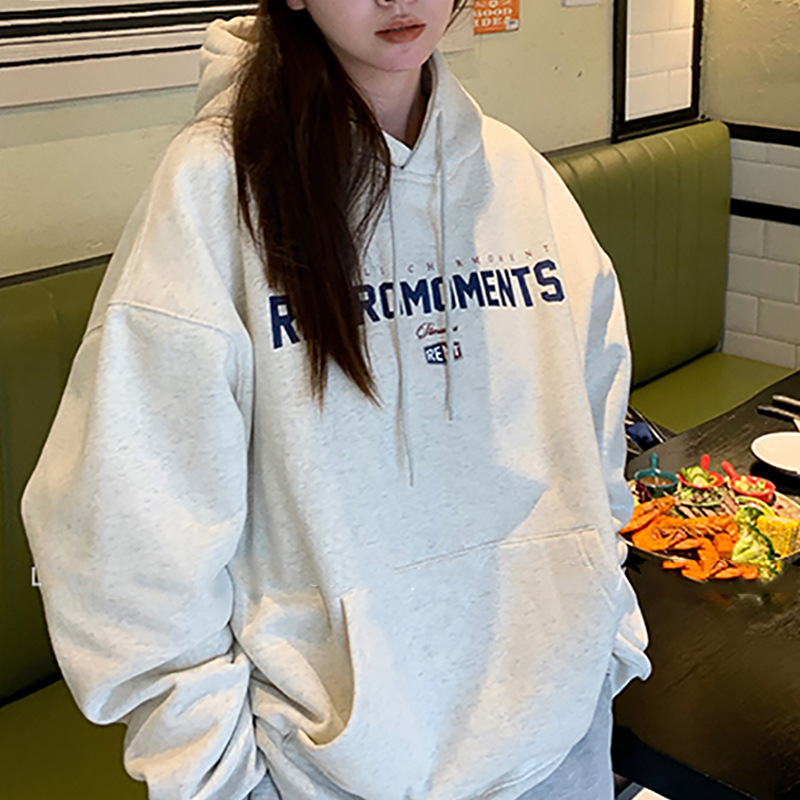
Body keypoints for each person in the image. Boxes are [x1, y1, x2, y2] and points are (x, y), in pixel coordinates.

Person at [21, 2, 652, 799]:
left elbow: (597, 436)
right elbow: (126, 531)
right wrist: (218, 777)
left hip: (560, 748)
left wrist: (604, 625)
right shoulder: (215, 191)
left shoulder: (519, 178)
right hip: (329, 775)